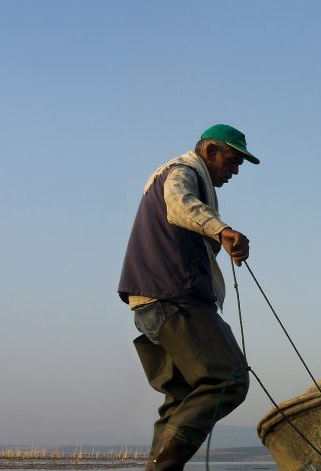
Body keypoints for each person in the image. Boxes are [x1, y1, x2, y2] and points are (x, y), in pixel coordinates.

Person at [118, 124, 259, 470]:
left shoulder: (185, 177)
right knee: (229, 377)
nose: (236, 169)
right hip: (173, 297)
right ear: (210, 152)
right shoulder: (181, 172)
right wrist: (223, 230)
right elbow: (179, 203)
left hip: (149, 303)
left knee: (181, 397)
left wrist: (220, 240)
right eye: (233, 159)